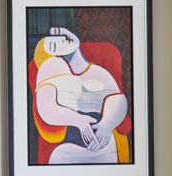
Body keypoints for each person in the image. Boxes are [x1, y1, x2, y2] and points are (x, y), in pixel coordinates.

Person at [34, 27, 128, 164]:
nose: (62, 38)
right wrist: (78, 120)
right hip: (67, 151)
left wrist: (107, 124)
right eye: (54, 45)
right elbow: (46, 109)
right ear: (54, 59)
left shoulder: (98, 71)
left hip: (105, 147)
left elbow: (118, 99)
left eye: (60, 35)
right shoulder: (50, 74)